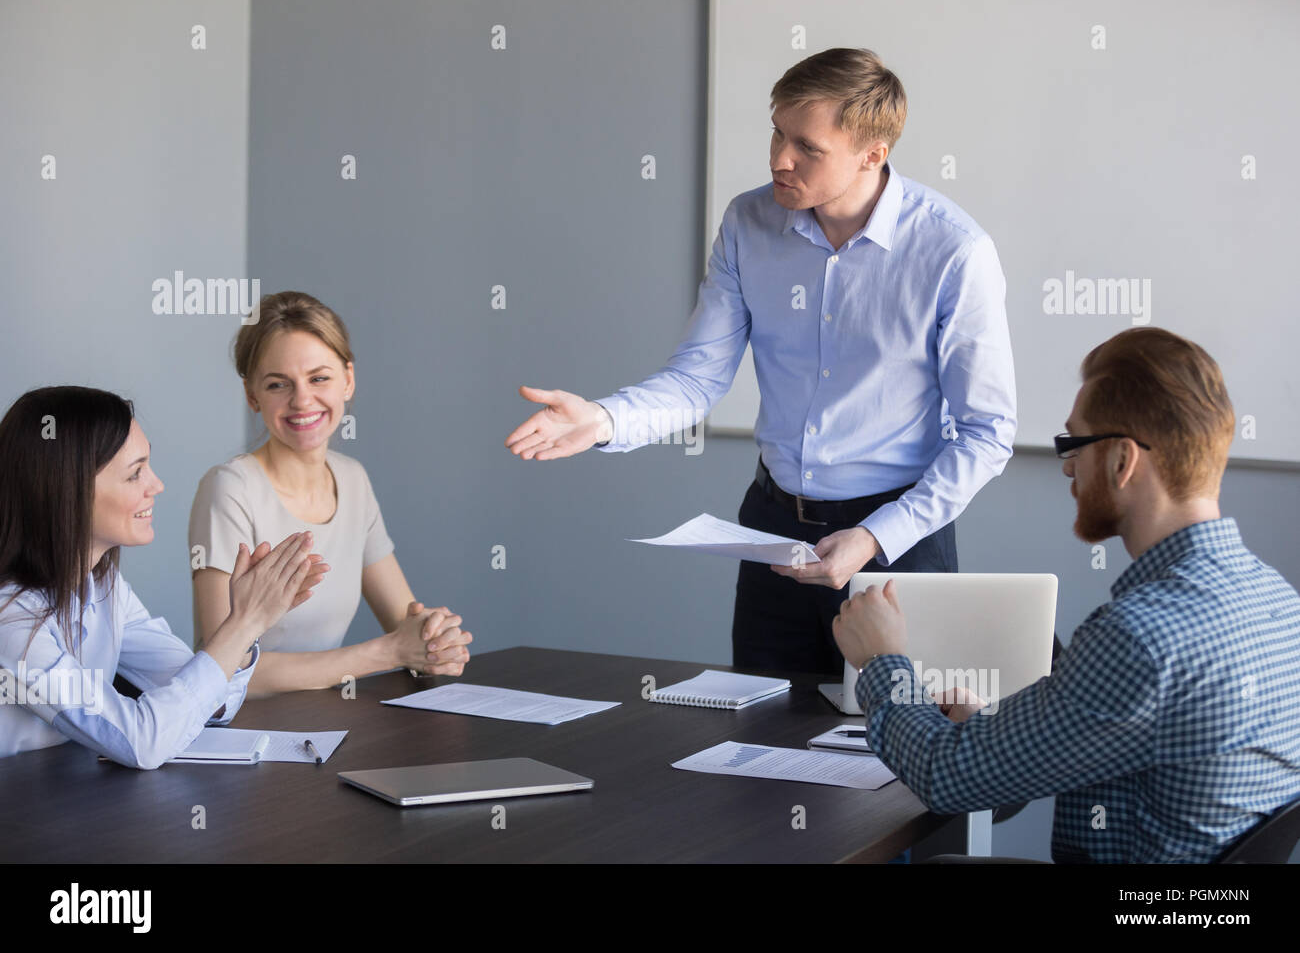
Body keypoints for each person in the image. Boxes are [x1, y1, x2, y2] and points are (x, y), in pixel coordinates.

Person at [506, 48, 1015, 674]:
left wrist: (878, 535)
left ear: (872, 154)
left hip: (896, 542)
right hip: (775, 534)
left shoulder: (953, 251)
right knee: (758, 745)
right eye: (776, 131)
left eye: (807, 146)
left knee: (901, 749)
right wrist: (602, 421)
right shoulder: (749, 221)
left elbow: (987, 434)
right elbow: (697, 378)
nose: (779, 158)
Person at [832, 327, 1300, 863]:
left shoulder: (1140, 638)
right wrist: (992, 730)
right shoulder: (1280, 603)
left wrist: (883, 659)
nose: (1068, 466)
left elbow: (945, 778)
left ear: (1124, 461)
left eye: (1074, 443)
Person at [0, 386, 325, 767]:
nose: (156, 486)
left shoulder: (103, 587)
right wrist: (244, 621)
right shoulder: (11, 620)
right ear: (67, 491)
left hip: (69, 798)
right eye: (135, 473)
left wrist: (245, 630)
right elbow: (142, 742)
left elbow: (209, 700)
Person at [189, 291, 472, 694]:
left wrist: (436, 642)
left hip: (326, 727)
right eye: (277, 384)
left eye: (319, 378)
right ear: (252, 395)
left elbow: (405, 624)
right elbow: (221, 672)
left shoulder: (352, 479)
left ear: (348, 380)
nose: (302, 400)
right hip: (240, 738)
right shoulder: (230, 488)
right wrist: (392, 652)